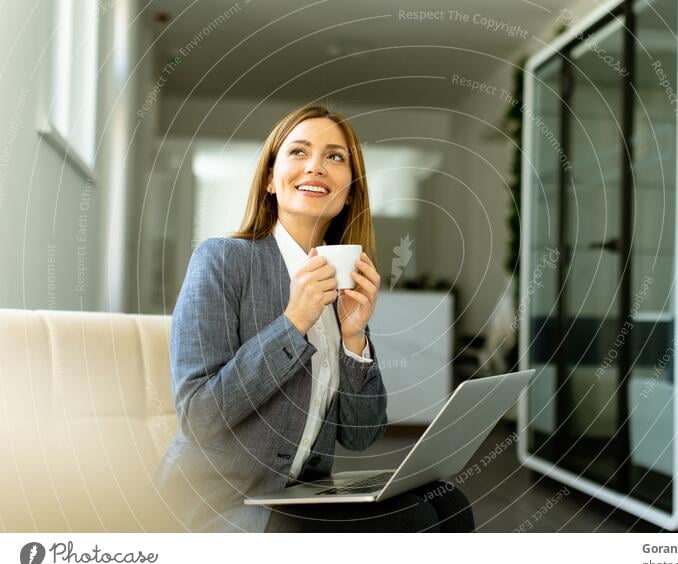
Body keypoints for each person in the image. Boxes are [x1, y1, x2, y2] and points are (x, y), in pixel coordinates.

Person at [154, 105, 474, 533]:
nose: (317, 167)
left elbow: (361, 435)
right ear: (270, 178)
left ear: (349, 188)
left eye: (335, 157)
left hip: (300, 494)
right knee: (413, 521)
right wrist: (294, 320)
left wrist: (354, 336)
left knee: (448, 504)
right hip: (220, 501)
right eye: (299, 152)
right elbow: (199, 417)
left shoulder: (343, 274)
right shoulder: (221, 261)